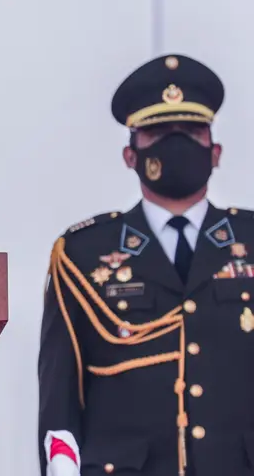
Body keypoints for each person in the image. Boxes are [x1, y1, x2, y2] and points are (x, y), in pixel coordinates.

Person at [37, 53, 254, 476]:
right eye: (157, 133)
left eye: (192, 131)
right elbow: (60, 402)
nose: (177, 144)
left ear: (216, 151)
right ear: (130, 155)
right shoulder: (82, 254)